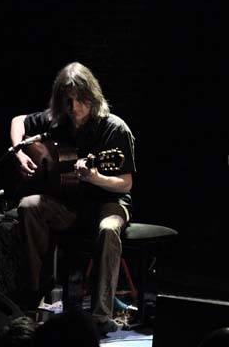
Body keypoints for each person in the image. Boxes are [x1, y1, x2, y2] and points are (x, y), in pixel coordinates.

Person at [10, 62, 136, 335]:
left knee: (109, 228)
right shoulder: (58, 121)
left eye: (81, 100)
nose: (75, 108)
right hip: (67, 204)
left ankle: (101, 315)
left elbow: (125, 182)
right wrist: (18, 152)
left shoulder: (114, 129)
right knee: (29, 205)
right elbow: (18, 121)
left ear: (92, 97)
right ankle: (35, 296)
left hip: (107, 203)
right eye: (68, 101)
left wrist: (95, 178)